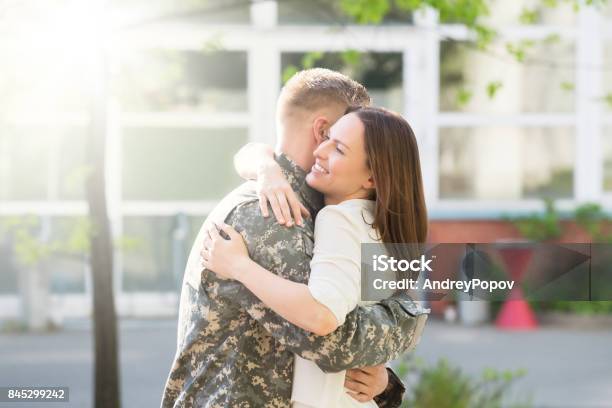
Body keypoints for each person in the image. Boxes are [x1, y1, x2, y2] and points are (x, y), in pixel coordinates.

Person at [161, 68, 428, 408]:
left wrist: (383, 382)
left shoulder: (330, 209)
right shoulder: (270, 214)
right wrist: (409, 321)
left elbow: (366, 302)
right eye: (340, 135)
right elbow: (328, 335)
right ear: (323, 130)